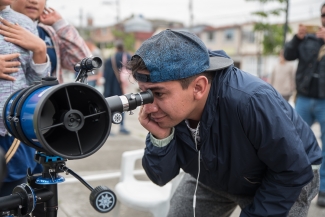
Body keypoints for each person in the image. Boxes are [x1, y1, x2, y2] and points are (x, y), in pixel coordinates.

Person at [127, 29, 322, 217]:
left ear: (199, 87)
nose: (149, 106)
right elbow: (160, 176)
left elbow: (292, 169)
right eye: (144, 93)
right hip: (214, 172)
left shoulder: (250, 100)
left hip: (283, 176)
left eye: (158, 93)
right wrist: (161, 138)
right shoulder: (170, 111)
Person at [0, 0, 50, 197]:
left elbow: (37, 87)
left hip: (13, 138)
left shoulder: (24, 23)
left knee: (13, 204)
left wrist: (40, 51)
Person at [284, 3, 325, 208]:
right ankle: (294, 182)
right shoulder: (309, 38)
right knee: (293, 139)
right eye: (323, 14)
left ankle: (323, 188)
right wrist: (296, 38)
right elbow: (288, 54)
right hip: (304, 97)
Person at [10, 0, 91, 83]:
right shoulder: (3, 30)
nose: (33, 1)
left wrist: (60, 25)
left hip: (51, 95)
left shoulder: (49, 33)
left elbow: (83, 62)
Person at [103, 41, 131, 135]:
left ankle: (109, 129)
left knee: (109, 107)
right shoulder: (127, 56)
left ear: (116, 48)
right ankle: (122, 126)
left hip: (109, 87)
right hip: (121, 86)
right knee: (123, 105)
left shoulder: (110, 59)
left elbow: (105, 74)